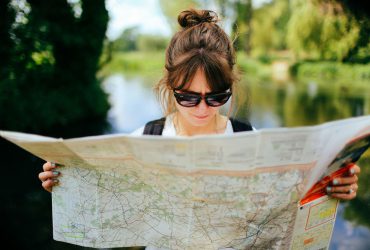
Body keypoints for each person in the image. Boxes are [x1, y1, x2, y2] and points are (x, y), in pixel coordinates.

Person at [39, 8, 360, 211]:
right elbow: (108, 204)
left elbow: (289, 207)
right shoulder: (144, 139)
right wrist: (66, 184)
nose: (203, 109)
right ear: (170, 85)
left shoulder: (255, 142)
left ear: (232, 84)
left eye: (217, 96)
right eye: (189, 97)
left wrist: (332, 189)